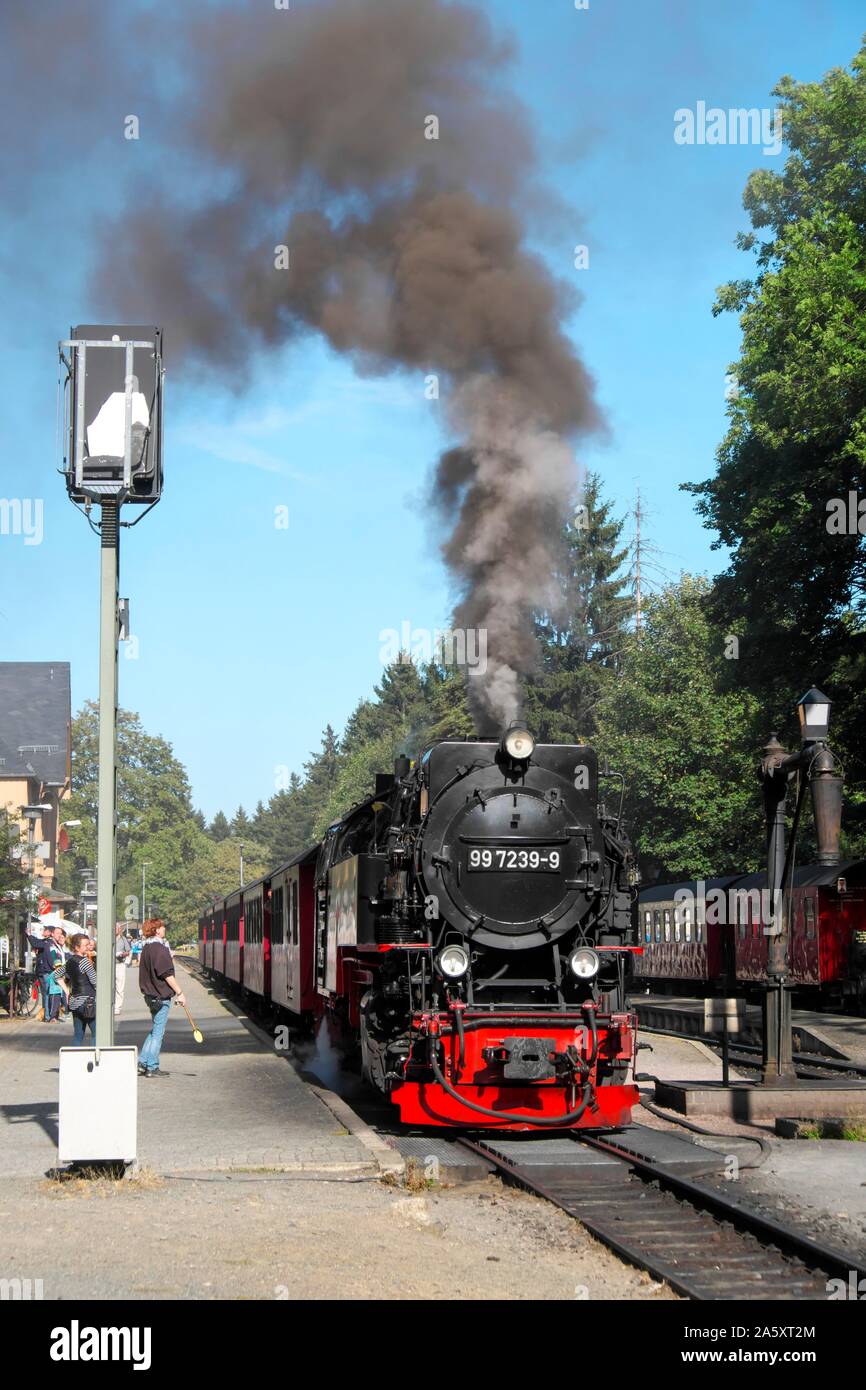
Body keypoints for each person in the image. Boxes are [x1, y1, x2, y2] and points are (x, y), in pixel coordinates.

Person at [138, 919, 185, 1078]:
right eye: (162, 927)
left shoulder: (146, 948)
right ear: (157, 930)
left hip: (149, 995)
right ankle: (152, 1067)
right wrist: (179, 992)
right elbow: (166, 974)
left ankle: (142, 1062)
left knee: (155, 1029)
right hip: (160, 996)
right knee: (159, 1032)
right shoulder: (160, 949)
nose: (164, 929)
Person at [65, 934, 97, 1045]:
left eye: (89, 944)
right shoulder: (85, 962)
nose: (89, 946)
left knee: (78, 1035)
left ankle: (73, 1060)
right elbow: (95, 982)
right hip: (88, 1002)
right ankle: (96, 1058)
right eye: (86, 945)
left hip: (74, 1001)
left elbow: (56, 975)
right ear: (77, 947)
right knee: (97, 1033)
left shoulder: (69, 961)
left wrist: (66, 990)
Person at [114, 923, 132, 1017]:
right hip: (110, 965)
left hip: (120, 965)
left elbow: (128, 952)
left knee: (120, 987)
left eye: (118, 928)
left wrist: (122, 954)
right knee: (110, 987)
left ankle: (118, 1007)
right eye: (115, 928)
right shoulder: (109, 938)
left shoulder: (123, 939)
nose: (116, 929)